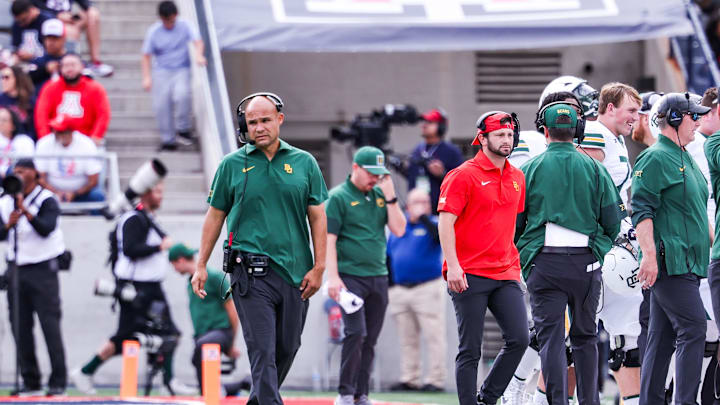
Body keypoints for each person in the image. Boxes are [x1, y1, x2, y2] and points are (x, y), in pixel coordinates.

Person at [192, 92, 328, 405]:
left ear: (280, 119)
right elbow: (215, 216)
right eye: (252, 122)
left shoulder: (304, 163)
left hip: (296, 273)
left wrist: (320, 267)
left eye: (265, 120)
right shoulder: (231, 165)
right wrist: (201, 264)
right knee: (262, 350)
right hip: (249, 274)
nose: (259, 127)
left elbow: (318, 217)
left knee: (288, 346)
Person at [516, 103, 624, 405]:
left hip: (544, 262)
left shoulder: (528, 169)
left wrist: (528, 257)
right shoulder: (595, 168)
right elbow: (612, 222)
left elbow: (515, 225)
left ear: (544, 129)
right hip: (585, 263)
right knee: (586, 338)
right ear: (578, 129)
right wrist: (597, 251)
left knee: (550, 338)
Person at [439, 110, 529, 405]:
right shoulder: (463, 175)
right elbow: (445, 222)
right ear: (483, 138)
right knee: (470, 349)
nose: (507, 140)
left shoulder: (517, 177)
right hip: (469, 274)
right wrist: (453, 266)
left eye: (510, 135)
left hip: (506, 273)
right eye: (500, 135)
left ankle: (488, 398)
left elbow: (511, 223)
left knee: (520, 339)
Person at [71, 182, 194, 396]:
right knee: (126, 336)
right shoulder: (133, 218)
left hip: (152, 288)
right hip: (138, 289)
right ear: (145, 194)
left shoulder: (147, 217)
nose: (161, 197)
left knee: (167, 333)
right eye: (157, 192)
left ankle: (167, 381)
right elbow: (129, 249)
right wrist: (159, 247)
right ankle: (85, 371)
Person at [632, 93, 711, 405]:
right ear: (676, 119)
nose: (699, 121)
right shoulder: (655, 157)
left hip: (689, 263)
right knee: (694, 328)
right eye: (694, 116)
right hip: (670, 262)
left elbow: (695, 213)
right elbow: (642, 211)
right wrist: (649, 257)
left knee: (661, 339)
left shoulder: (685, 156)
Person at [325, 146, 407, 405]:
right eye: (371, 173)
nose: (375, 179)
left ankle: (361, 394)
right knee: (355, 333)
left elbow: (399, 229)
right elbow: (328, 239)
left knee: (370, 338)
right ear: (356, 168)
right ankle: (345, 392)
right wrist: (333, 277)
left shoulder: (380, 196)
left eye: (379, 174)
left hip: (378, 276)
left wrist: (392, 197)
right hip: (350, 276)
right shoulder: (337, 197)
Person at [1, 158, 68, 396]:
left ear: (34, 174)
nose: (17, 175)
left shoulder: (46, 199)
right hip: (16, 269)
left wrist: (26, 212)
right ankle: (30, 380)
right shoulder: (5, 201)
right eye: (15, 171)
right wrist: (9, 224)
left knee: (50, 325)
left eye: (22, 171)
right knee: (19, 326)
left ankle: (58, 381)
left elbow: (46, 228)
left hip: (42, 270)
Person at [167, 243, 251, 396]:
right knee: (206, 390)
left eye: (173, 265)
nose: (174, 269)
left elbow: (232, 310)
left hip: (221, 332)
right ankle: (239, 385)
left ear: (180, 260)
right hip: (201, 336)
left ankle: (217, 390)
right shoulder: (190, 283)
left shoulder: (214, 277)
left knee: (203, 345)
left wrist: (231, 342)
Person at [386, 187, 446, 393]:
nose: (421, 206)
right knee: (407, 338)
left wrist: (423, 218)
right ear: (408, 205)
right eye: (416, 202)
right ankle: (410, 378)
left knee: (433, 336)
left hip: (427, 288)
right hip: (401, 290)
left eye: (425, 202)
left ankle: (435, 379)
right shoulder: (399, 225)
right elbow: (388, 256)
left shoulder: (434, 223)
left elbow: (439, 238)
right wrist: (391, 286)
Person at [142, 0, 206, 151]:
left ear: (175, 16)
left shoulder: (185, 25)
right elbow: (146, 55)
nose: (168, 24)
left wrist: (199, 55)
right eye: (165, 21)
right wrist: (146, 77)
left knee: (182, 95)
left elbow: (198, 41)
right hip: (162, 71)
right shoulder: (154, 31)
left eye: (170, 20)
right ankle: (168, 139)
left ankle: (183, 128)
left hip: (181, 69)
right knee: (161, 105)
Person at [509, 75, 599, 168]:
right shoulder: (530, 142)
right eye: (569, 111)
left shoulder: (583, 156)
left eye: (578, 112)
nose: (575, 117)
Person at [578, 82, 641, 208]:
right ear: (611, 108)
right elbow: (580, 191)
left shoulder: (617, 138)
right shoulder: (596, 134)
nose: (636, 118)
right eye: (631, 111)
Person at [34, 52, 110, 145]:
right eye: (66, 66)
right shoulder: (50, 88)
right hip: (56, 140)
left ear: (82, 66)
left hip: (87, 141)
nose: (69, 69)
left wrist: (96, 136)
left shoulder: (95, 89)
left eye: (73, 65)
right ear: (60, 68)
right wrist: (46, 138)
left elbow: (103, 114)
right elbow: (41, 115)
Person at [401, 108, 463, 212]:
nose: (424, 125)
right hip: (416, 211)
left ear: (441, 127)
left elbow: (461, 183)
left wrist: (442, 175)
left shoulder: (452, 151)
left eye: (430, 122)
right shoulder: (417, 150)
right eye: (424, 122)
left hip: (441, 212)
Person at [31, 0, 113, 77]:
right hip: (46, 18)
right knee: (70, 31)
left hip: (67, 18)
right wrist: (57, 14)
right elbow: (34, 4)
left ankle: (95, 62)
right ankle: (69, 63)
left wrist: (88, 8)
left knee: (93, 14)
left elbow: (85, 3)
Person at [35, 114, 104, 203]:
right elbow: (40, 178)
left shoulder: (86, 144)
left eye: (60, 131)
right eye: (54, 129)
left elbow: (94, 181)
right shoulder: (44, 143)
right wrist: (56, 192)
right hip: (50, 192)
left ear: (71, 132)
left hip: (80, 192)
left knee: (97, 196)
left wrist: (74, 193)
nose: (56, 133)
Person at [28, 18, 68, 92]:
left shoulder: (72, 60)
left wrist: (66, 71)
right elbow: (27, 78)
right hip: (39, 100)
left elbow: (87, 78)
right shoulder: (38, 61)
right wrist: (45, 70)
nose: (51, 42)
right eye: (48, 38)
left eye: (55, 38)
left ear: (63, 39)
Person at [0, 65, 36, 138]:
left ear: (17, 78)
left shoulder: (31, 100)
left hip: (26, 142)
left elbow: (34, 127)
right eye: (2, 78)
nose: (3, 81)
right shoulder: (1, 99)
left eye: (7, 77)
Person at [0, 107, 35, 177]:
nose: (0, 123)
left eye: (4, 120)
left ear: (13, 125)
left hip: (16, 179)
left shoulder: (25, 141)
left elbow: (28, 166)